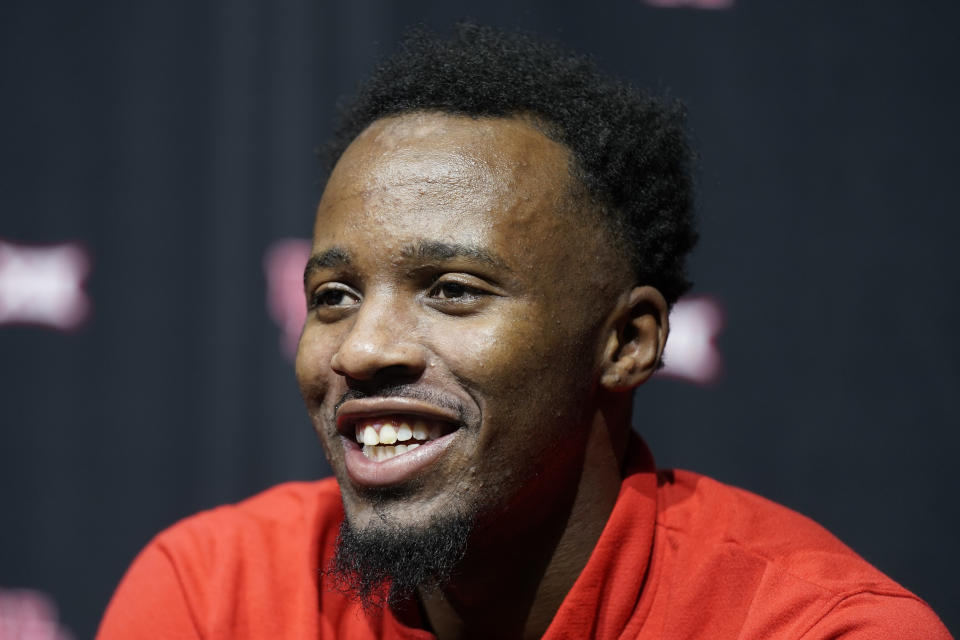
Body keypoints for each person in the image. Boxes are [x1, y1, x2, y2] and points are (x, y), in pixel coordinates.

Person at [97, 24, 951, 639]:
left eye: (453, 290)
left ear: (627, 343)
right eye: (334, 296)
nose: (360, 349)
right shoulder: (213, 597)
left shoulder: (818, 630)